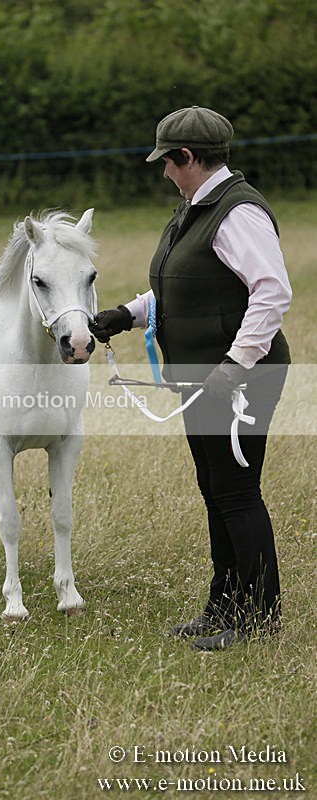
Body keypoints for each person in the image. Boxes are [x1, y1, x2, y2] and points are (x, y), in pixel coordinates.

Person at [90, 106, 292, 651]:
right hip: (204, 380)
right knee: (215, 491)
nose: (163, 173)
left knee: (236, 493)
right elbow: (187, 285)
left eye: (167, 162)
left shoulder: (237, 214)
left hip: (237, 380)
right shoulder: (195, 209)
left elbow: (272, 293)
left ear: (187, 157)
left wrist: (235, 365)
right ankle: (223, 607)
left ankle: (255, 620)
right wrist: (125, 316)